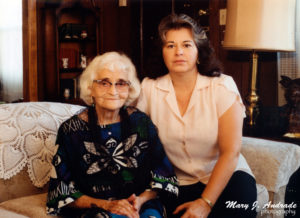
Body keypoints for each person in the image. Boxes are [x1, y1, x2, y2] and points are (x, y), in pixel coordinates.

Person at [136, 14, 257, 218]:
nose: (179, 52)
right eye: (170, 46)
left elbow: (231, 152)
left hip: (228, 179)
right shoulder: (149, 88)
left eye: (187, 45)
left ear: (199, 52)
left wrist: (205, 202)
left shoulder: (222, 86)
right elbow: (137, 142)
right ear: (162, 54)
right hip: (178, 184)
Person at [46, 52, 178, 218]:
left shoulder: (141, 123)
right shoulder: (72, 131)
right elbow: (62, 193)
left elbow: (164, 178)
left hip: (141, 205)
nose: (113, 91)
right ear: (90, 88)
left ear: (129, 89)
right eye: (104, 83)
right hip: (96, 208)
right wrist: (108, 205)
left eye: (121, 83)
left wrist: (139, 201)